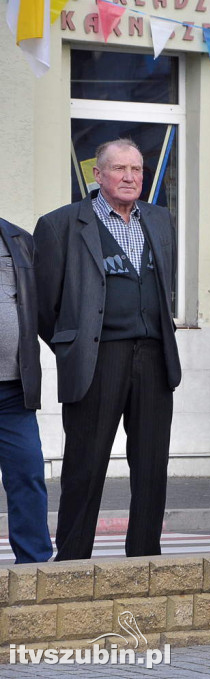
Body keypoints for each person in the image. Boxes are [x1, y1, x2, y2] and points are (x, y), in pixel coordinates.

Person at [34, 138, 181, 561]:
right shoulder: (61, 224)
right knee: (86, 464)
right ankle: (73, 561)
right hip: (97, 358)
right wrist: (73, 345)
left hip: (154, 356)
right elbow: (46, 304)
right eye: (119, 169)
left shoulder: (159, 219)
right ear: (97, 175)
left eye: (136, 169)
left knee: (152, 466)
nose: (130, 177)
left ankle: (145, 557)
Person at [0, 218, 53, 564]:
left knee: (28, 474)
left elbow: (43, 307)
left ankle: (34, 569)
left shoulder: (19, 239)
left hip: (14, 389)